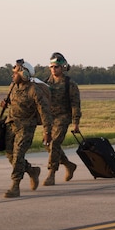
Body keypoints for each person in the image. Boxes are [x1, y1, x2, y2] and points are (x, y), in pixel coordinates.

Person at [0, 60, 53, 198]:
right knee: (10, 154)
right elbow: (14, 101)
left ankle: (15, 185)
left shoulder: (34, 90)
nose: (13, 75)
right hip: (11, 124)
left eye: (15, 72)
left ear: (23, 74)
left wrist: (47, 132)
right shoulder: (13, 86)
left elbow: (45, 112)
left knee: (18, 155)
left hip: (26, 127)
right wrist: (6, 103)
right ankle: (32, 170)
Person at [43, 52, 80, 185]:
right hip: (50, 118)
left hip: (63, 117)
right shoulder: (46, 83)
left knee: (54, 143)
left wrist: (76, 122)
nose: (54, 69)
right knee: (48, 144)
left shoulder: (70, 84)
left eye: (56, 67)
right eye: (52, 67)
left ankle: (51, 173)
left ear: (63, 68)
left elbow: (76, 104)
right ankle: (69, 165)